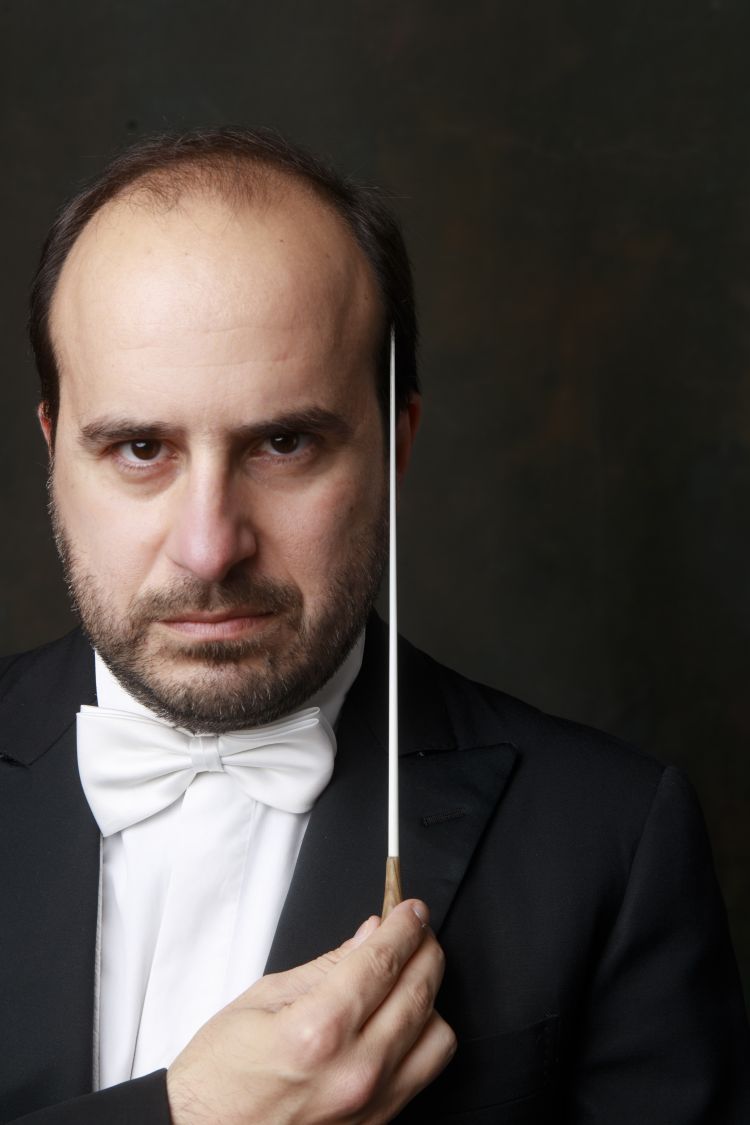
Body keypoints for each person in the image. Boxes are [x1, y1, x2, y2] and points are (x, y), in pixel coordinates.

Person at [0, 128, 748, 1125]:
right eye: (140, 448)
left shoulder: (611, 838)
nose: (210, 548)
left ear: (397, 443)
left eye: (284, 442)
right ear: (53, 450)